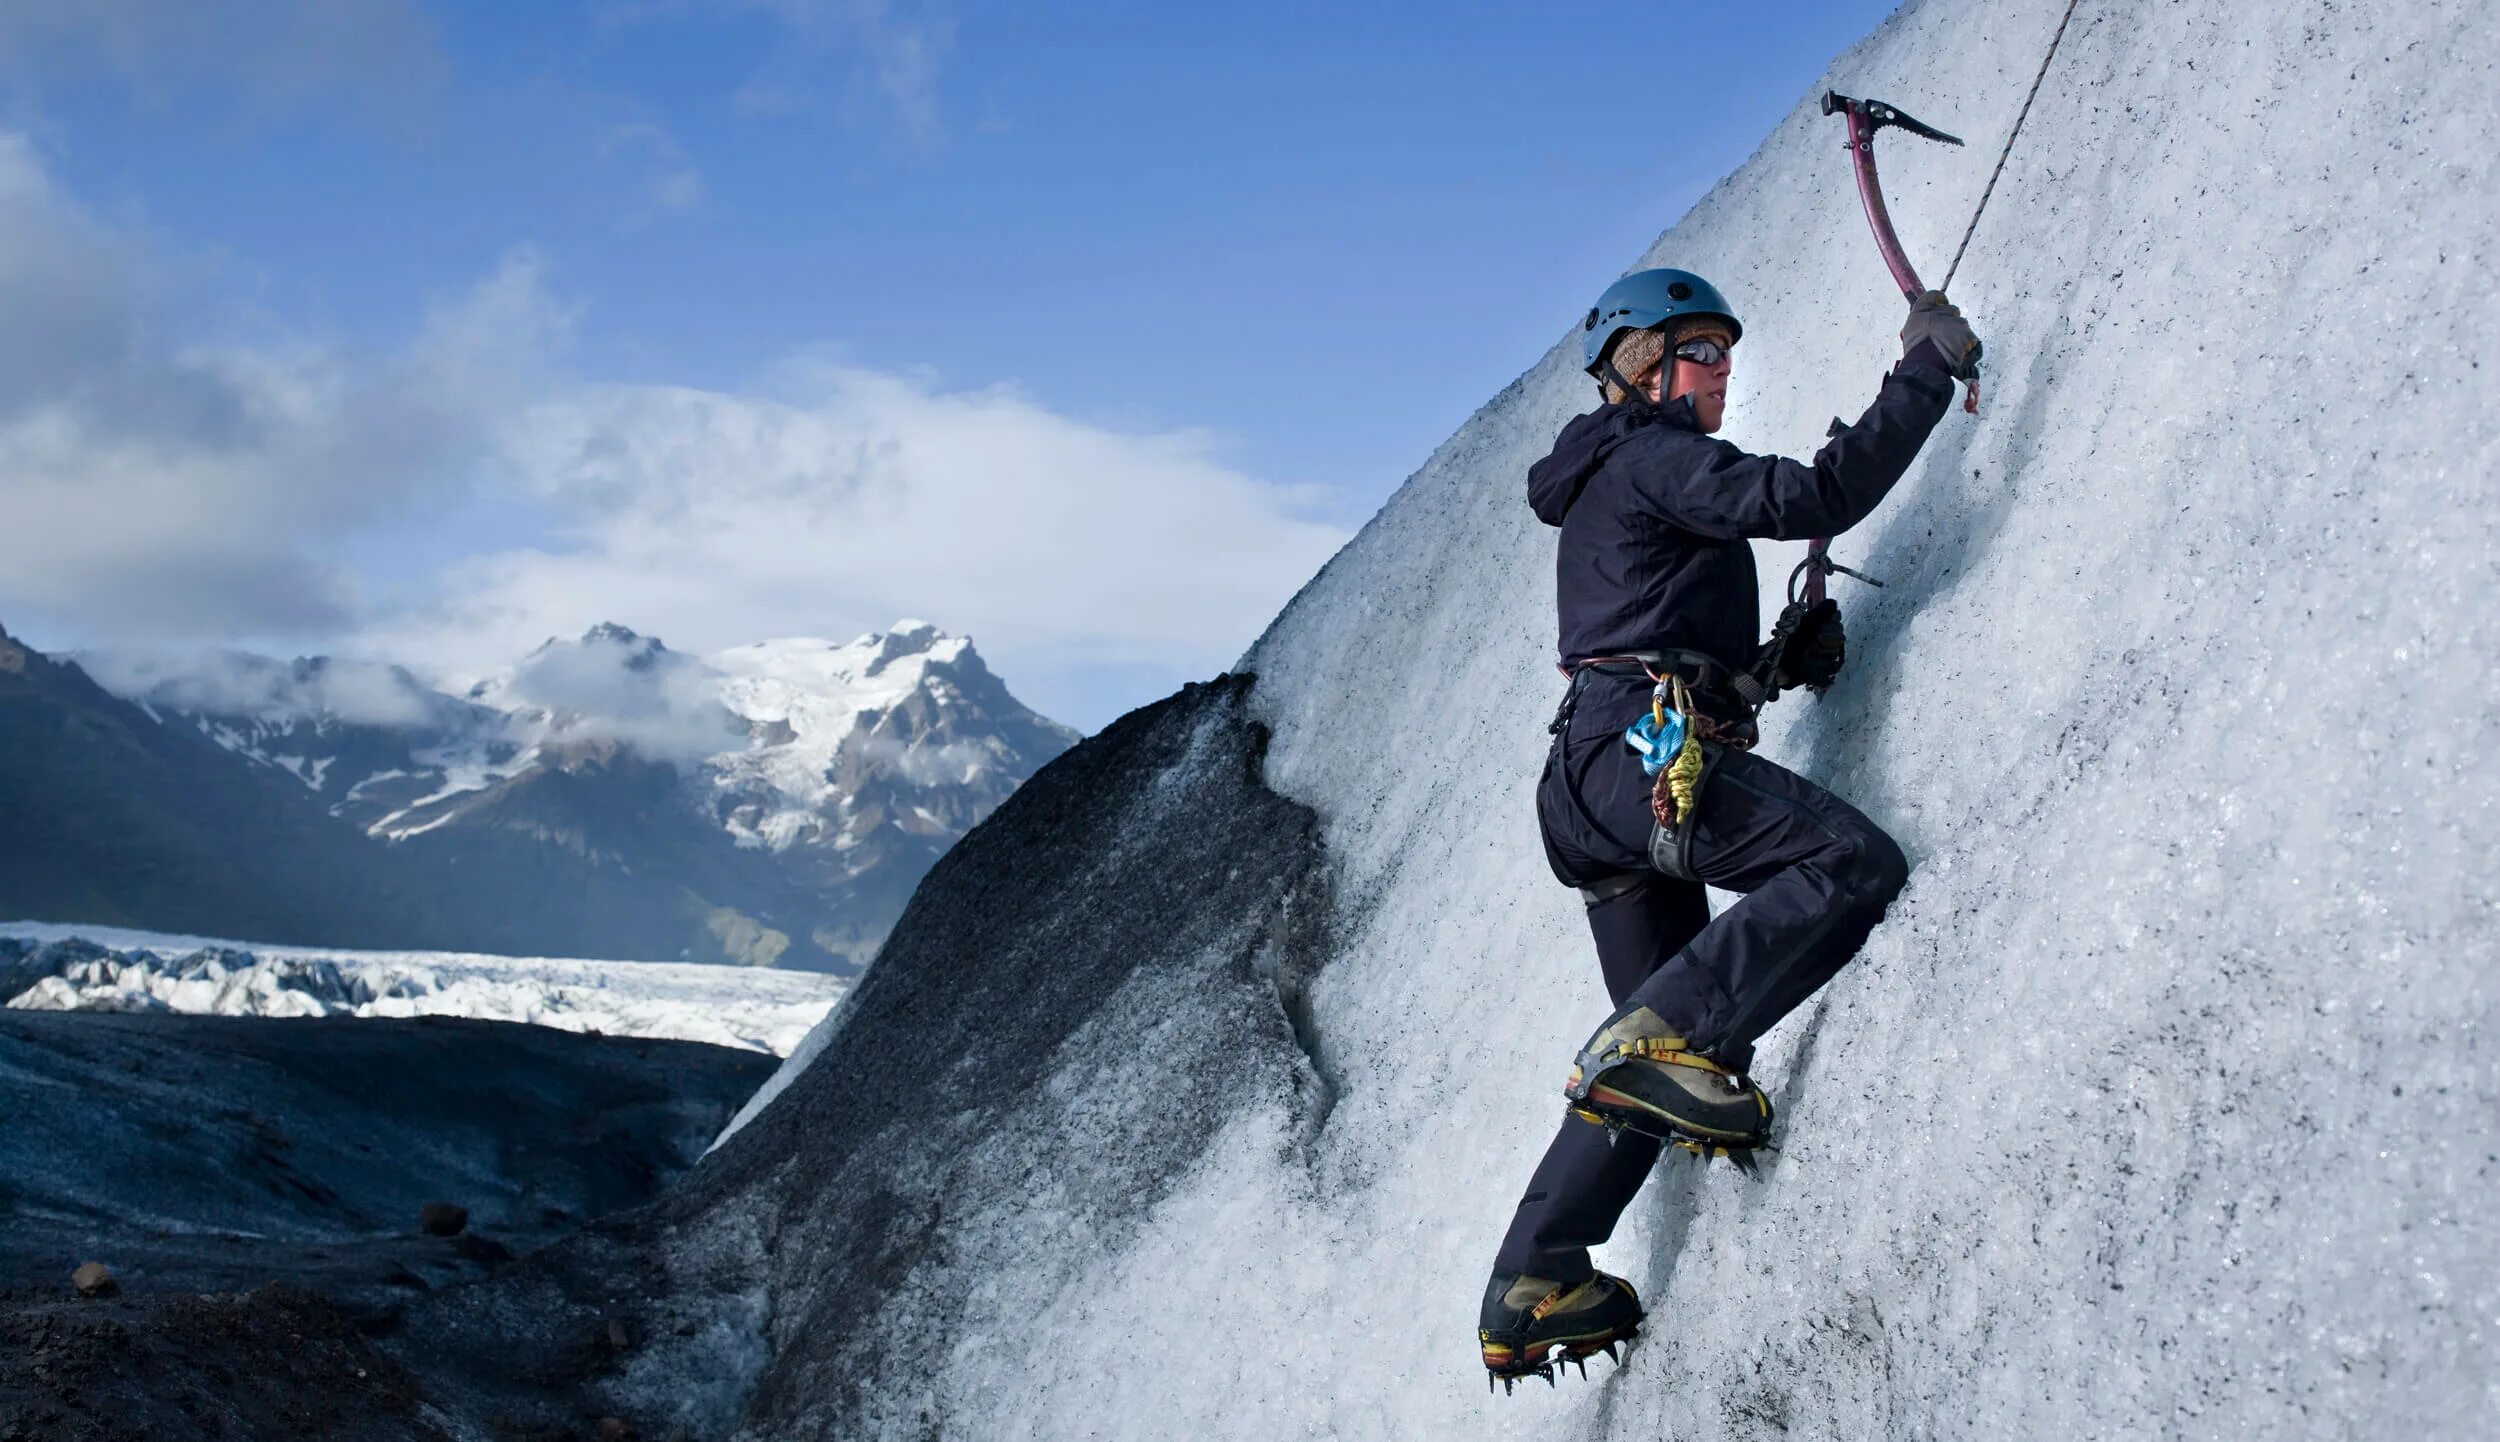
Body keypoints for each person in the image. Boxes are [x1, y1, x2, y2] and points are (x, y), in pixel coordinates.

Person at [1477, 268, 1980, 1390]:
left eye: (1722, 351)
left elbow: (1649, 623)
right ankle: (1652, 1044)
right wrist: (1925, 371)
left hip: (1600, 774)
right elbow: (1812, 495)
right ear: (1641, 366)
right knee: (1848, 864)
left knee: (1668, 1058)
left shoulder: (1616, 474)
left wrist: (1768, 667)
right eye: (1700, 348)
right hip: (1634, 753)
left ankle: (1535, 1273)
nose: (1720, 368)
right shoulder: (1649, 450)